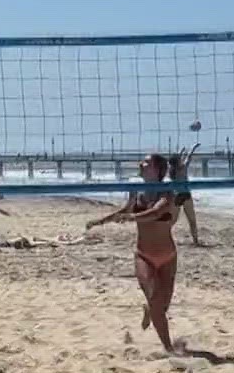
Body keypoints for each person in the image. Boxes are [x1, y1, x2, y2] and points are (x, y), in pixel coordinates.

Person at [86, 154, 182, 355]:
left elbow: (156, 213)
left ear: (157, 169)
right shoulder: (136, 190)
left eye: (146, 162)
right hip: (144, 255)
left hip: (168, 256)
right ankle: (169, 348)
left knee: (161, 307)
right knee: (156, 301)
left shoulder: (167, 191)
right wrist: (100, 221)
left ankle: (149, 310)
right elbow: (124, 211)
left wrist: (131, 217)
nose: (141, 164)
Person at [170, 144, 205, 247]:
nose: (182, 159)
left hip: (177, 196)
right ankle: (195, 241)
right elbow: (189, 156)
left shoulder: (172, 170)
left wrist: (181, 151)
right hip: (185, 195)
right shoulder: (183, 167)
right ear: (178, 161)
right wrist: (193, 147)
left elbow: (179, 159)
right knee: (192, 220)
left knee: (173, 220)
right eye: (180, 159)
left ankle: (163, 236)